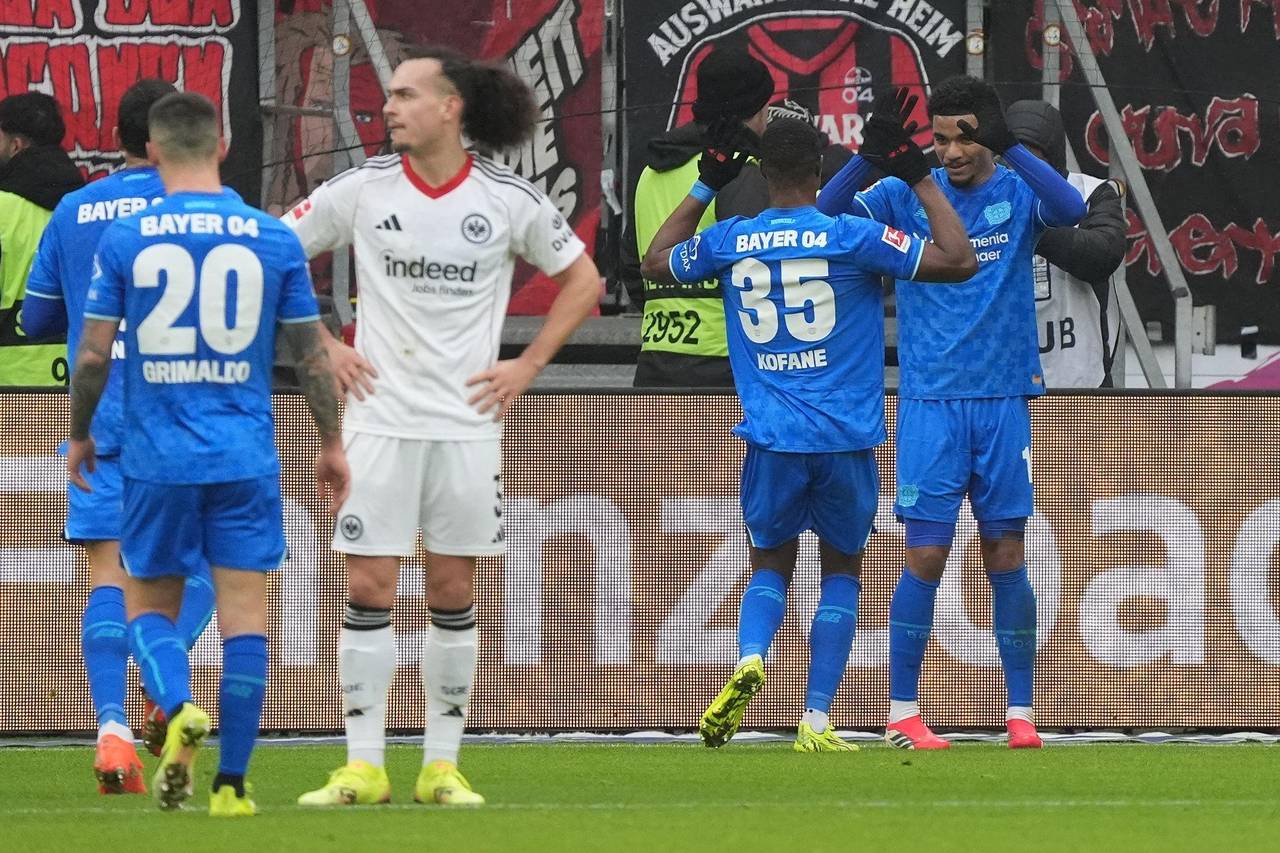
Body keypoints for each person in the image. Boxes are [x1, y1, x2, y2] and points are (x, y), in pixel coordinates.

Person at [287, 45, 600, 807]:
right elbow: (273, 254)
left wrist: (527, 365)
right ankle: (363, 765)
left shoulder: (506, 198)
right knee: (368, 584)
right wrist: (325, 343)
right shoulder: (363, 188)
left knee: (452, 586)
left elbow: (584, 279)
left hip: (466, 425)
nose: (388, 107)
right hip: (379, 419)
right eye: (389, 96)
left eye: (404, 95)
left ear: (450, 106)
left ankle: (441, 765)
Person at [640, 92, 976, 750]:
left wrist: (707, 183)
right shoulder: (852, 235)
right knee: (842, 569)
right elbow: (959, 259)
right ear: (820, 168)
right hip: (845, 437)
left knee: (770, 563)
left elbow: (656, 261)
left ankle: (750, 656)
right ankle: (817, 718)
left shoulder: (732, 239)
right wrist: (916, 174)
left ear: (762, 173)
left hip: (772, 436)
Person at [67, 91, 349, 816]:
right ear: (222, 146)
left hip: (156, 458)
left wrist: (80, 431)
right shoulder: (272, 237)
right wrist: (330, 441)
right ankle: (232, 785)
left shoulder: (127, 238)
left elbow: (93, 353)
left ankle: (175, 703)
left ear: (152, 151)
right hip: (244, 455)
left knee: (145, 608)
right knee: (245, 617)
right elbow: (311, 357)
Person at [817, 75, 1086, 750]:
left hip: (1003, 399)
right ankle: (903, 711)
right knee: (927, 553)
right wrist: (869, 157)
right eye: (939, 140)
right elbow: (823, 213)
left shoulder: (1018, 192)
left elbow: (1072, 209)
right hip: (930, 402)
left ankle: (1021, 711)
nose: (952, 152)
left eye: (964, 138)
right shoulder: (905, 193)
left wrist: (1012, 146)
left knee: (1006, 551)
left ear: (986, 135)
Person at [24, 80, 220, 795]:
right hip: (190, 421)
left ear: (121, 137)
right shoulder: (208, 213)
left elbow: (38, 318)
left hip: (104, 421)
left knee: (108, 577)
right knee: (206, 571)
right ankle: (164, 687)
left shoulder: (76, 209)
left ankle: (112, 734)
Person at [623, 45, 775, 387]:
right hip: (726, 367)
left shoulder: (651, 171)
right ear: (757, 110)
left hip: (656, 362)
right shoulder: (741, 170)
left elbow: (632, 267)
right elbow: (761, 268)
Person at [1005, 100, 1126, 388]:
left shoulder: (1091, 192)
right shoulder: (988, 196)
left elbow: (1103, 255)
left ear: (1053, 157)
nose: (1022, 170)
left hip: (1081, 379)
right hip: (1006, 380)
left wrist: (1032, 227)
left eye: (1031, 160)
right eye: (1013, 160)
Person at [0, 92, 83, 386]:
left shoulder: (3, 209)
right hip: (80, 380)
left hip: (12, 385)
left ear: (15, 145)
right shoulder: (86, 205)